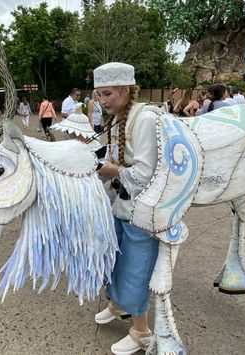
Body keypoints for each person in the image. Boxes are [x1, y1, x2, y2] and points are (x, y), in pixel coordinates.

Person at [93, 62, 159, 355]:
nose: (102, 100)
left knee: (135, 267)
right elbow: (114, 160)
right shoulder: (119, 118)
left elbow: (145, 174)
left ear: (125, 90)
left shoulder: (143, 119)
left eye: (107, 93)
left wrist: (109, 170)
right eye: (98, 95)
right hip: (121, 204)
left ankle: (142, 331)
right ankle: (118, 305)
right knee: (114, 258)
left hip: (141, 210)